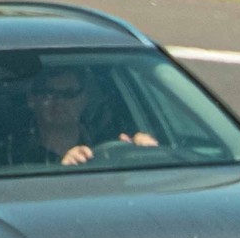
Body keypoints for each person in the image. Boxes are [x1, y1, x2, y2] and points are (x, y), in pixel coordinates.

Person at [26, 67, 158, 166]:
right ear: (32, 100)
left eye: (69, 93)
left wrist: (143, 150)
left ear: (84, 99)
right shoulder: (13, 153)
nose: (59, 101)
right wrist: (64, 169)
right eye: (48, 93)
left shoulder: (109, 140)